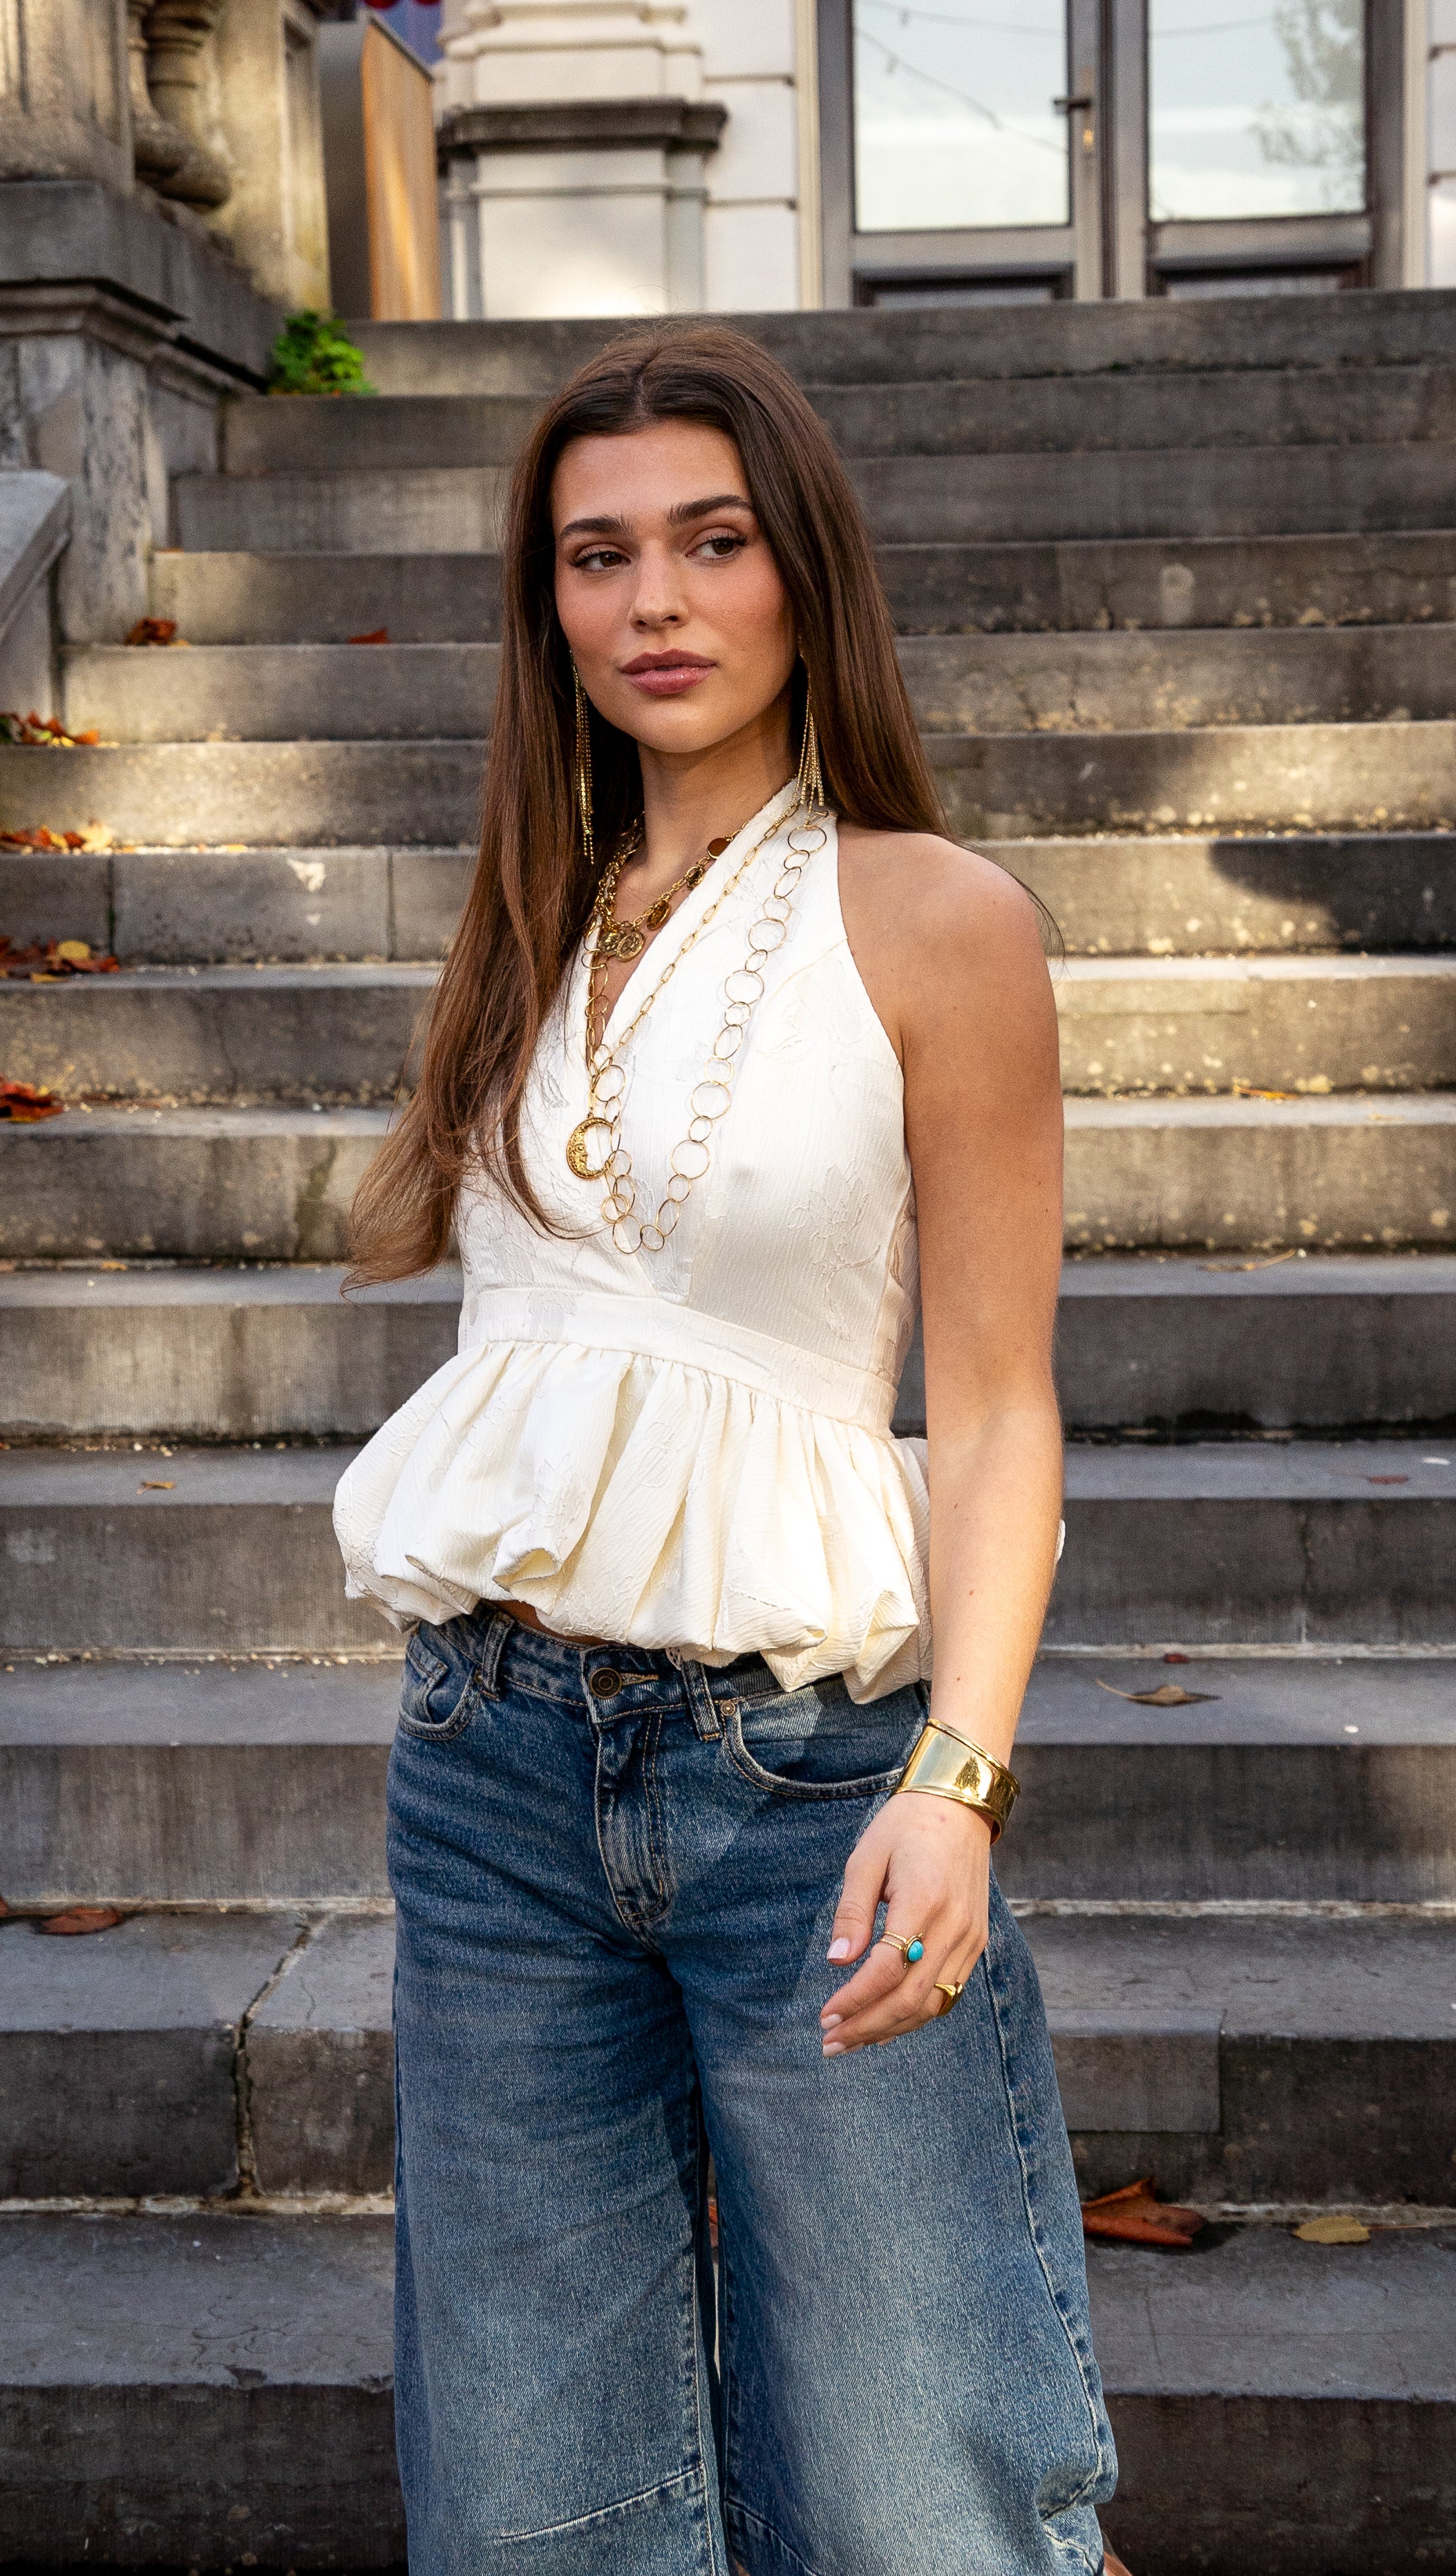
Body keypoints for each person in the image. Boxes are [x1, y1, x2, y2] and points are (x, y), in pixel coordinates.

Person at [335, 323, 1124, 2576]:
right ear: (549, 603)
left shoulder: (938, 918)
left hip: (810, 1784)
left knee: (912, 2489)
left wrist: (960, 1777)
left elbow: (998, 1403)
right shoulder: (528, 909)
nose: (655, 601)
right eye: (598, 555)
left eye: (712, 540)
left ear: (804, 573)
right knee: (533, 2508)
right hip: (492, 1767)